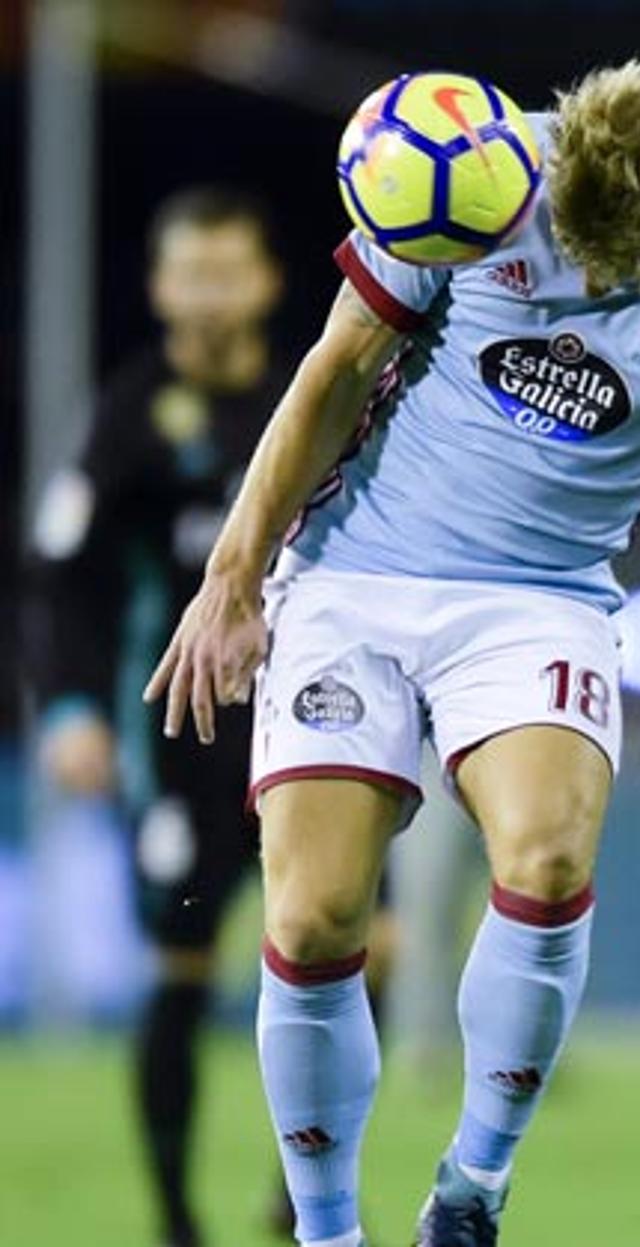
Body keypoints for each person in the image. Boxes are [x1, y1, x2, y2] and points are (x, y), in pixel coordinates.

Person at [144, 61, 640, 1247]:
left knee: (547, 849)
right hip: (355, 574)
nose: (578, 277)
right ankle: (327, 1231)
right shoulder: (473, 170)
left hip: (541, 597)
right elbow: (333, 367)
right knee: (318, 914)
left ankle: (470, 1186)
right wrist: (233, 576)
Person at [25, 186, 362, 1247]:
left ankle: (299, 1190)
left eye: (231, 272)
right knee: (184, 964)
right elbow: (59, 577)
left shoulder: (312, 393)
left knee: (371, 944)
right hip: (181, 739)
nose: (211, 296)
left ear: (267, 282)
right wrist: (71, 706)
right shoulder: (129, 414)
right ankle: (176, 1220)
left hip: (319, 714)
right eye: (191, 273)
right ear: (160, 287)